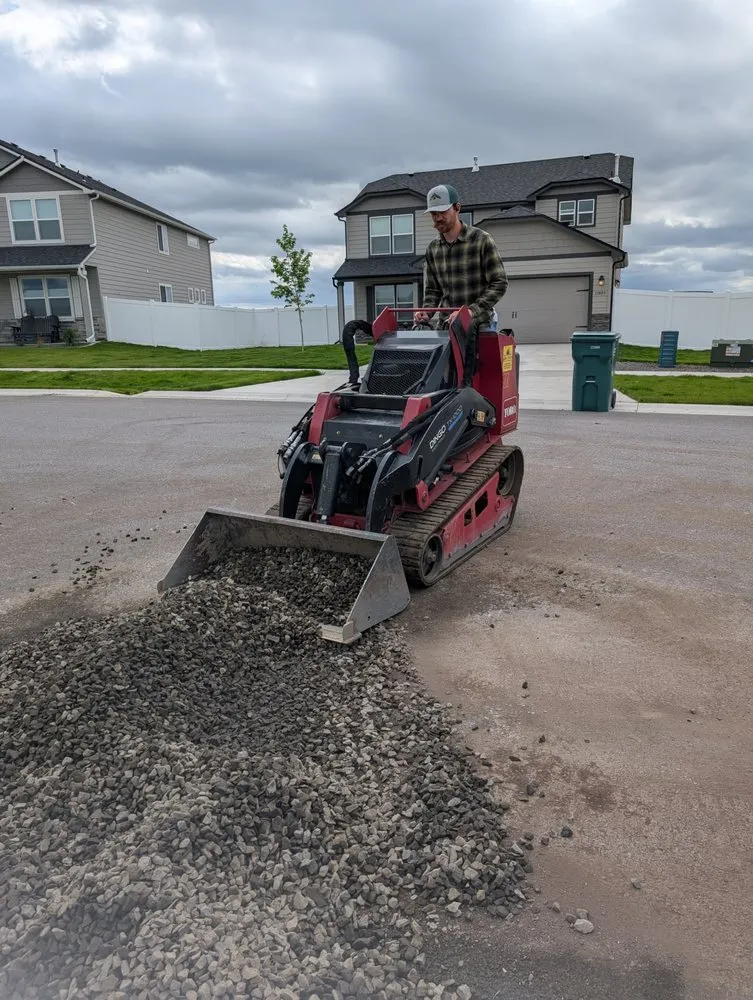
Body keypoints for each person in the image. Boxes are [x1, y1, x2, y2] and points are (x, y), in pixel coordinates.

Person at [414, 183, 508, 332]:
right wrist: (426, 312)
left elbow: (499, 283)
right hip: (446, 326)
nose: (438, 218)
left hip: (480, 324)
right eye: (433, 213)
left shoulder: (481, 240)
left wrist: (470, 312)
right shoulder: (433, 249)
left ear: (457, 208)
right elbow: (433, 290)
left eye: (443, 212)